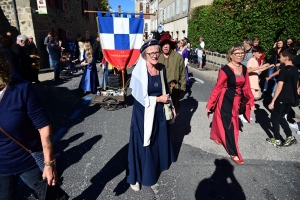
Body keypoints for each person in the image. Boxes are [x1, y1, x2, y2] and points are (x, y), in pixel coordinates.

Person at [0, 53, 57, 199]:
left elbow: (43, 127)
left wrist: (49, 163)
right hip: (2, 167)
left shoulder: (21, 90)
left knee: (48, 197)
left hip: (28, 161)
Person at [127, 39, 176, 191]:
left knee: (156, 140)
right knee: (142, 143)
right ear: (144, 55)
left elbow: (165, 89)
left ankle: (154, 168)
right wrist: (158, 99)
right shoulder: (139, 71)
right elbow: (139, 97)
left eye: (157, 52)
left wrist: (171, 104)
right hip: (143, 113)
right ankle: (134, 177)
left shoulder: (161, 68)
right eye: (151, 53)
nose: (155, 55)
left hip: (159, 112)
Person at [206, 44, 254, 165]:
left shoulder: (243, 68)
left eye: (242, 53)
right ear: (231, 55)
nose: (240, 55)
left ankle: (216, 136)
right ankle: (233, 152)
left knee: (224, 120)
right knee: (230, 125)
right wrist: (210, 104)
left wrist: (251, 101)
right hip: (226, 100)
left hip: (237, 100)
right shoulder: (225, 70)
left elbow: (247, 87)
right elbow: (217, 88)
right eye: (237, 53)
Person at [267, 48, 299, 147]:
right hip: (291, 98)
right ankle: (289, 136)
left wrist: (272, 101)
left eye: (280, 57)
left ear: (286, 58)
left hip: (282, 98)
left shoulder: (284, 71)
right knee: (281, 116)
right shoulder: (296, 69)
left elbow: (279, 87)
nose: (279, 58)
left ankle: (277, 139)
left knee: (275, 117)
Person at [158, 32, 186, 112]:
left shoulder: (178, 57)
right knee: (162, 112)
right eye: (164, 44)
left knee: (173, 112)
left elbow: (182, 74)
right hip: (161, 89)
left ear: (171, 45)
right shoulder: (158, 57)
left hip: (174, 89)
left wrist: (182, 89)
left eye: (167, 44)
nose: (165, 46)